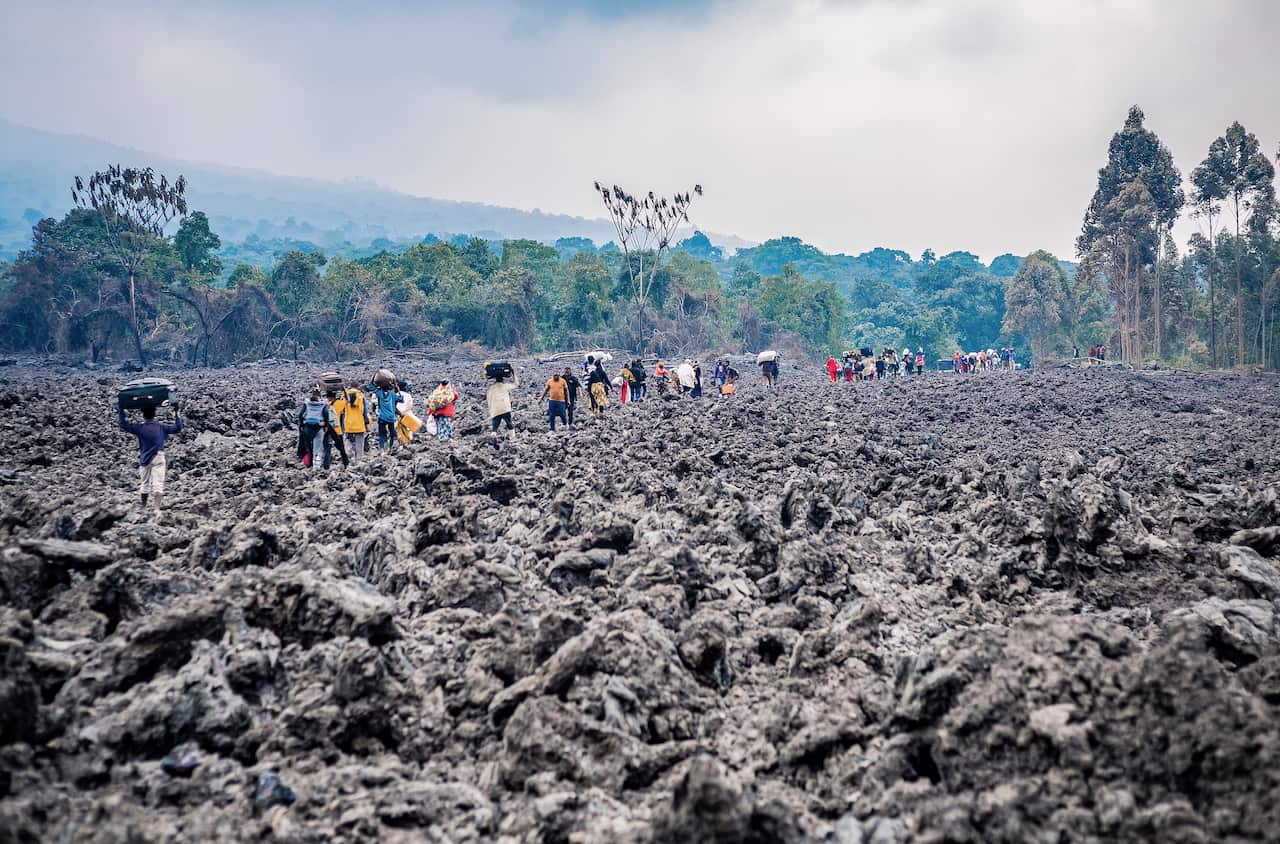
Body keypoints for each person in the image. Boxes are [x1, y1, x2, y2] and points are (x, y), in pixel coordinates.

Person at [118, 402, 183, 512]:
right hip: (158, 456)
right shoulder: (161, 427)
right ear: (154, 414)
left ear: (143, 415)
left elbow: (123, 424)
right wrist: (177, 413)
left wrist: (121, 410)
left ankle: (143, 507)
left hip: (145, 458)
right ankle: (156, 509)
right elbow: (177, 428)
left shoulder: (139, 428)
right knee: (158, 483)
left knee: (144, 483)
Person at [334, 384, 370, 464]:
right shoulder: (361, 396)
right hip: (359, 423)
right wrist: (366, 422)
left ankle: (349, 454)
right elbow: (364, 411)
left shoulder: (344, 396)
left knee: (348, 439)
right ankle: (358, 460)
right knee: (360, 442)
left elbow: (341, 410)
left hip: (348, 423)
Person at [365, 377, 401, 450]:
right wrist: (397, 389)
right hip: (391, 417)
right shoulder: (392, 394)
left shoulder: (379, 393)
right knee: (392, 433)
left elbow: (370, 386)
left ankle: (382, 449)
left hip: (382, 417)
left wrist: (373, 378)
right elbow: (401, 399)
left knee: (382, 435)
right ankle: (392, 447)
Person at [297, 388, 327, 467]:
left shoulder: (307, 404)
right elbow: (326, 415)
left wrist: (301, 425)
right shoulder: (322, 404)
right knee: (317, 448)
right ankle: (316, 467)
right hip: (319, 428)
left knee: (308, 446)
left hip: (307, 427)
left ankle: (308, 463)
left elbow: (300, 415)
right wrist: (325, 425)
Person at [321, 391, 349, 470]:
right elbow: (347, 400)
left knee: (327, 448)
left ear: (327, 397)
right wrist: (344, 391)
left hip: (326, 429)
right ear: (334, 396)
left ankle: (326, 467)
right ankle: (346, 463)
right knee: (341, 448)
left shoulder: (325, 404)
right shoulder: (339, 403)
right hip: (337, 429)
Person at [487, 370, 519, 438]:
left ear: (495, 380)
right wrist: (514, 373)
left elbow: (489, 400)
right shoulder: (505, 386)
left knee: (495, 427)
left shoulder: (491, 388)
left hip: (496, 409)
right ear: (502, 380)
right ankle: (513, 438)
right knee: (509, 423)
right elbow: (516, 384)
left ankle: (492, 439)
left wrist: (491, 411)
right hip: (505, 408)